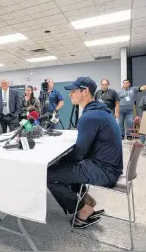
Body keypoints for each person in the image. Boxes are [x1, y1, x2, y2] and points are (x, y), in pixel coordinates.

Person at [47, 77, 123, 229]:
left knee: (49, 174)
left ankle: (83, 209)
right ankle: (85, 199)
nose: (70, 95)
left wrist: (55, 159)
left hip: (104, 171)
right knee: (65, 166)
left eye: (74, 91)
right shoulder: (99, 111)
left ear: (85, 91)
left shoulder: (90, 116)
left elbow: (79, 154)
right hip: (110, 167)